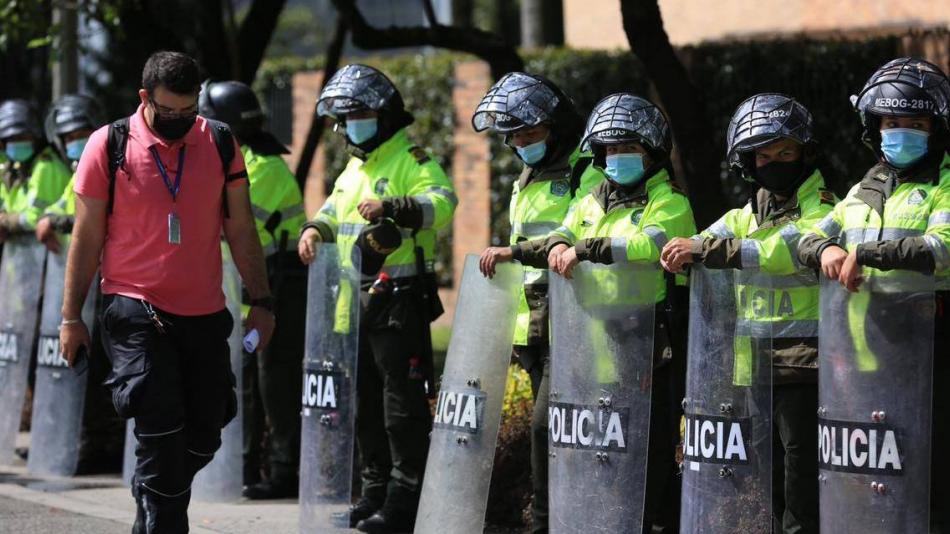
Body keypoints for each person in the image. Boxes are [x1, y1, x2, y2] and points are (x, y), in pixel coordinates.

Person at [59, 51, 275, 534]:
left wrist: (260, 302)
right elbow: (87, 236)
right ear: (144, 97)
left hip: (204, 311)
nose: (179, 120)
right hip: (135, 308)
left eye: (188, 110)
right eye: (168, 111)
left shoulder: (220, 142)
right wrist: (71, 317)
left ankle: (153, 493)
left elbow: (241, 229)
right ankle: (163, 520)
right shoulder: (108, 144)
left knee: (206, 430)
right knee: (160, 427)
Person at [482, 92, 695, 533]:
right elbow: (559, 234)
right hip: (590, 339)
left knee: (647, 447)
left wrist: (583, 248)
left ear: (651, 152)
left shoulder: (670, 201)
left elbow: (645, 247)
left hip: (649, 341)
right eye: (611, 149)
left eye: (628, 149)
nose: (618, 158)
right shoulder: (591, 200)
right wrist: (521, 250)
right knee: (567, 434)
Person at [661, 93, 834, 533]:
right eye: (763, 155)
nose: (774, 161)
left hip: (806, 362)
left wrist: (706, 248)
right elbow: (698, 244)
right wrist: (684, 252)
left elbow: (784, 250)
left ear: (805, 152)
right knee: (767, 477)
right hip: (755, 364)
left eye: (786, 152)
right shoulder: (745, 213)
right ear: (747, 162)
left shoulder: (827, 207)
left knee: (803, 482)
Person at [297, 63, 457, 533]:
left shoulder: (411, 158)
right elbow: (330, 211)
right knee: (364, 404)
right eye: (345, 118)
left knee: (401, 408)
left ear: (384, 115)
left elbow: (444, 204)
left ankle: (403, 502)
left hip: (398, 302)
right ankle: (372, 495)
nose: (350, 126)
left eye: (359, 114)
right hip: (354, 303)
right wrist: (312, 230)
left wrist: (395, 208)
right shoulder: (354, 167)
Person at [797, 57, 950, 533]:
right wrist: (824, 249)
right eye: (890, 122)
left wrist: (867, 252)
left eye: (914, 123)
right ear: (874, 126)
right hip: (865, 359)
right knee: (875, 477)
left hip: (930, 353)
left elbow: (940, 248)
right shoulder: (864, 189)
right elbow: (804, 237)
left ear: (936, 128)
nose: (900, 132)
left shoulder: (944, 184)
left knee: (932, 479)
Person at [472, 71, 601, 534]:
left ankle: (550, 524)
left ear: (557, 125)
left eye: (531, 131)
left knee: (552, 427)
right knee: (551, 430)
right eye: (515, 134)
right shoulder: (528, 174)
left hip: (574, 313)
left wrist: (517, 252)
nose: (522, 141)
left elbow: (577, 232)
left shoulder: (586, 168)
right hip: (533, 321)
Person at [198, 79, 308, 499]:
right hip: (251, 283)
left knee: (273, 379)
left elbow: (222, 226)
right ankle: (244, 466)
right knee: (244, 375)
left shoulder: (261, 168)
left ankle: (283, 472)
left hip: (279, 283)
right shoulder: (243, 160)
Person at [0, 99, 71, 240]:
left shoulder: (46, 167)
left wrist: (6, 222)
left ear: (36, 137)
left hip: (50, 256)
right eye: (11, 139)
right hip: (22, 256)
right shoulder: (13, 171)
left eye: (22, 137)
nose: (17, 143)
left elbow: (35, 217)